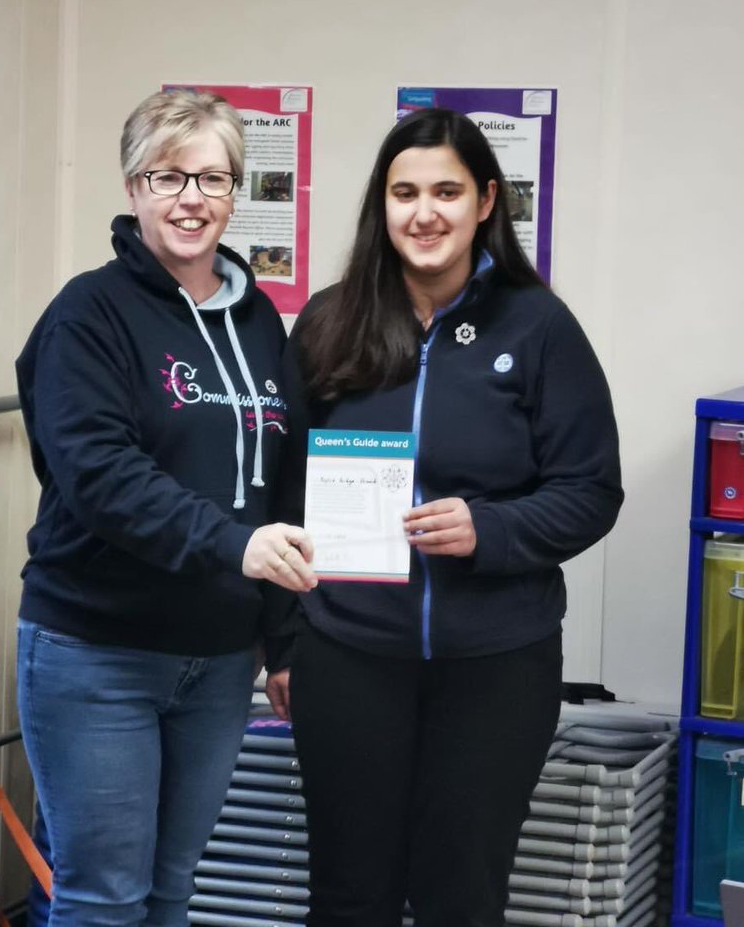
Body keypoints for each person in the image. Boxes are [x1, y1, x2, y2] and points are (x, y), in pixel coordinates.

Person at [265, 108, 623, 927]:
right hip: (348, 657)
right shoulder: (328, 323)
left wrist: (489, 530)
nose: (424, 213)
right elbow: (284, 499)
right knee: (349, 896)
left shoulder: (537, 326)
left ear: (485, 201)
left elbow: (591, 489)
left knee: (461, 897)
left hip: (495, 666)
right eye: (404, 192)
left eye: (446, 191)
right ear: (380, 206)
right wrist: (283, 643)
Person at [15, 88, 316, 927]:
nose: (192, 199)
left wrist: (282, 638)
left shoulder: (260, 322)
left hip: (219, 660)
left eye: (213, 179)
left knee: (171, 891)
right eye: (168, 176)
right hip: (96, 650)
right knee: (103, 898)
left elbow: (279, 484)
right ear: (133, 188)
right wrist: (234, 546)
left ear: (235, 193)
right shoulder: (89, 314)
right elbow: (99, 474)